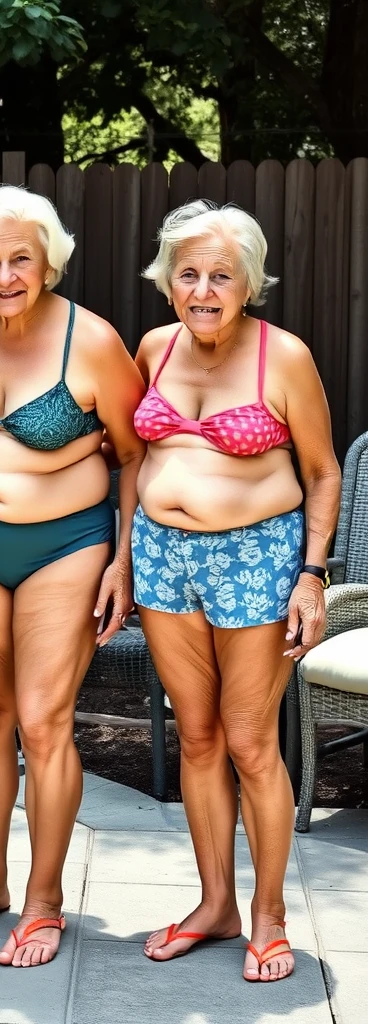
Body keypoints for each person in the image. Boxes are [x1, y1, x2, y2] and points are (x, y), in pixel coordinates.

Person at [0, 186, 145, 968]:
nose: (5, 273)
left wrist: (121, 560)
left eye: (21, 257)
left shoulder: (91, 342)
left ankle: (45, 901)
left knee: (43, 719)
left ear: (50, 260)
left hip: (67, 546)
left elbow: (134, 454)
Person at [132, 200, 341, 982]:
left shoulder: (283, 356)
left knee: (252, 741)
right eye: (188, 273)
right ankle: (215, 902)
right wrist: (125, 555)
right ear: (167, 280)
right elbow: (132, 459)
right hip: (161, 558)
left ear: (249, 281)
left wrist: (313, 578)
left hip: (256, 558)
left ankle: (269, 913)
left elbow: (322, 473)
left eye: (221, 274)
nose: (203, 288)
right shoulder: (154, 347)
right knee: (198, 738)